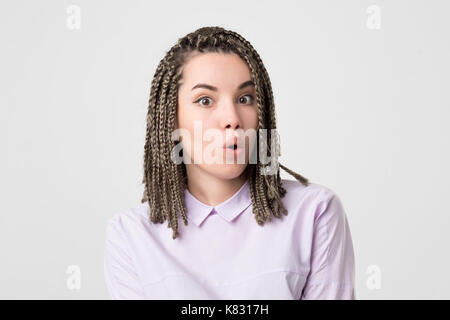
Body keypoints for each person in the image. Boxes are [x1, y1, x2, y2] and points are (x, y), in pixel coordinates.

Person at [103, 26, 356, 300]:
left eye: (244, 99)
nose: (232, 118)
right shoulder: (131, 234)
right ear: (170, 119)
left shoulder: (315, 212)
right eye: (205, 100)